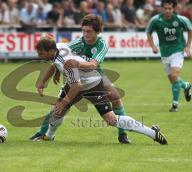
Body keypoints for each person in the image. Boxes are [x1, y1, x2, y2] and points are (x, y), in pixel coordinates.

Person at [34, 36, 168, 145]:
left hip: (92, 83)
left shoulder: (67, 62)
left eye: (41, 53)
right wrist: (42, 82)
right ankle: (49, 136)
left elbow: (77, 86)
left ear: (50, 50)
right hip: (75, 82)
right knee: (58, 110)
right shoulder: (59, 46)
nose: (39, 56)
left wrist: (63, 102)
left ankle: (152, 133)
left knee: (111, 119)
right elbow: (55, 64)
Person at [31, 14, 131, 143]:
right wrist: (55, 71)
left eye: (88, 31)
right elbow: (58, 57)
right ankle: (42, 133)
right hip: (75, 79)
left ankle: (122, 134)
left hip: (95, 77)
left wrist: (76, 64)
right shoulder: (78, 43)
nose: (85, 34)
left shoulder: (102, 45)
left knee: (116, 98)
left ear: (98, 31)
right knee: (59, 106)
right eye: (83, 30)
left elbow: (93, 65)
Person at [146, 0, 192, 112]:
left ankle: (175, 105)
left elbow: (190, 30)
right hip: (164, 52)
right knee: (173, 80)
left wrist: (187, 46)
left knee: (175, 76)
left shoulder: (181, 20)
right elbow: (148, 32)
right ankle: (186, 85)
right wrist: (153, 46)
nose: (167, 10)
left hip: (178, 50)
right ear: (162, 8)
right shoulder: (156, 20)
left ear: (173, 9)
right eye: (165, 8)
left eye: (170, 8)